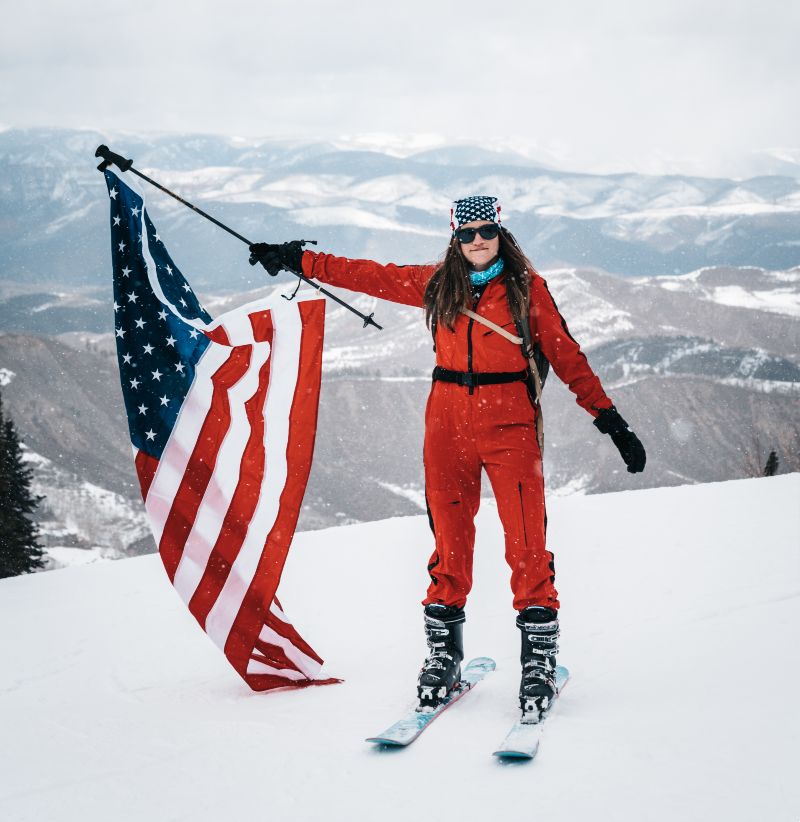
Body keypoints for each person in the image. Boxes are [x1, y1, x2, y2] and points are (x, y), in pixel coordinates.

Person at [249, 195, 646, 720]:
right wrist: (299, 261)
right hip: (446, 423)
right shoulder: (438, 284)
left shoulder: (528, 290)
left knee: (527, 540)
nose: (478, 241)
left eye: (487, 231)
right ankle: (443, 654)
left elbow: (568, 357)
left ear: (501, 232)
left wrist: (610, 420)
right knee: (450, 541)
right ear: (454, 237)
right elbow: (370, 275)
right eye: (467, 234)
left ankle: (538, 658)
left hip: (511, 425)